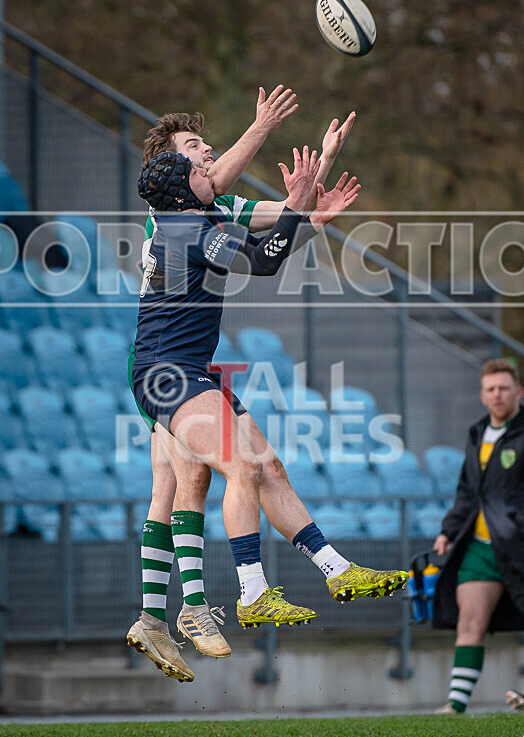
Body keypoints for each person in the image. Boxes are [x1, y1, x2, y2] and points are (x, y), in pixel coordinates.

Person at [127, 146, 408, 683]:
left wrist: (306, 211)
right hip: (166, 372)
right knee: (239, 467)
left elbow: (267, 246)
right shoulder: (188, 228)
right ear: (185, 188)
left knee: (267, 467)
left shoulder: (194, 219)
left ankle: (336, 569)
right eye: (200, 166)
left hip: (193, 367)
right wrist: (297, 203)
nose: (210, 168)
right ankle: (251, 593)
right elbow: (263, 261)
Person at [432, 358, 524, 715]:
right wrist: (448, 531)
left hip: (519, 546)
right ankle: (456, 705)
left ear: (519, 392)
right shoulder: (476, 433)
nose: (497, 394)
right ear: (482, 395)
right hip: (482, 548)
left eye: (504, 388)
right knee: (470, 620)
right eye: (491, 389)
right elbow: (468, 492)